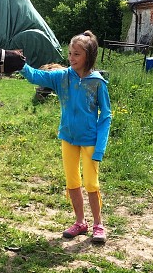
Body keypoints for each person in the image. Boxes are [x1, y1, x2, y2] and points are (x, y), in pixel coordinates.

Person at [20, 31, 111, 243]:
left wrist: (99, 148)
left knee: (91, 184)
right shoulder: (63, 77)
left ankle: (98, 224)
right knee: (72, 182)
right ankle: (80, 222)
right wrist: (20, 64)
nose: (71, 58)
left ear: (88, 56)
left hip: (90, 141)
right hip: (68, 139)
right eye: (70, 53)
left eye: (76, 54)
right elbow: (36, 76)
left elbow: (106, 116)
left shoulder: (97, 83)